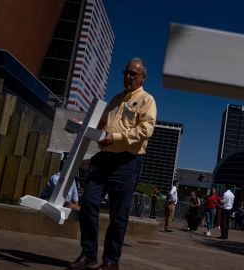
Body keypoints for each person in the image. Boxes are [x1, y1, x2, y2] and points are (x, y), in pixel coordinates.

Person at [67, 58, 156, 270]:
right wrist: (84, 125)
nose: (128, 77)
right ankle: (89, 254)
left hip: (127, 162)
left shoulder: (146, 100)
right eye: (126, 72)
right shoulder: (115, 99)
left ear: (143, 77)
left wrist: (114, 137)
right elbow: (100, 124)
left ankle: (110, 261)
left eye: (133, 74)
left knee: (118, 215)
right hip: (104, 160)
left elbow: (145, 130)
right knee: (88, 202)